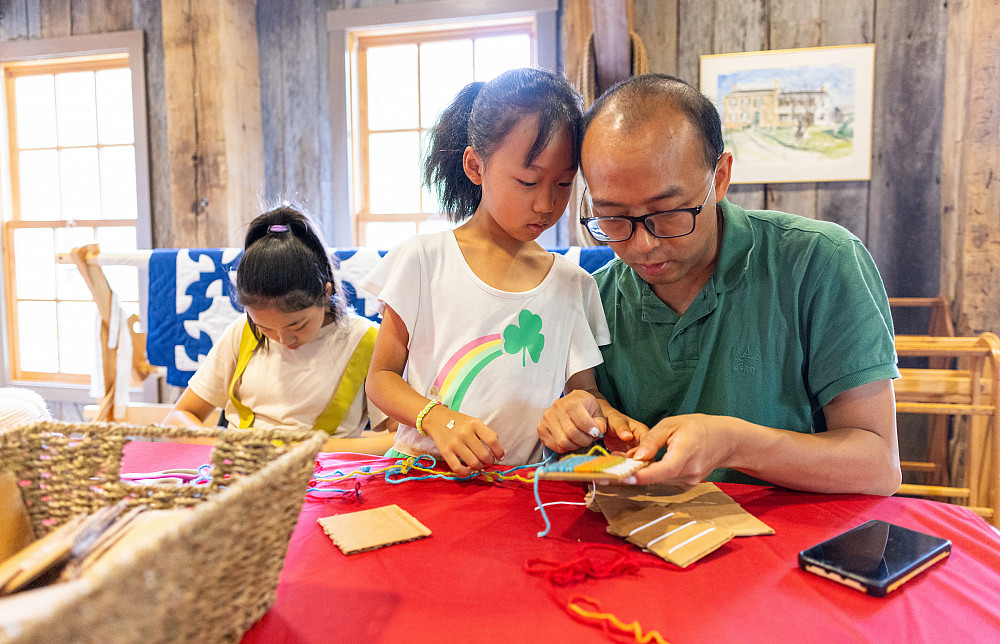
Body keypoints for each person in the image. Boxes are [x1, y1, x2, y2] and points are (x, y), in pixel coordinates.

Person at [538, 73, 902, 496]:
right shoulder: (592, 299)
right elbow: (587, 440)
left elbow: (877, 466)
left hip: (794, 543)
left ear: (721, 178)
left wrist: (734, 444)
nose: (643, 244)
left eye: (669, 212)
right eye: (612, 217)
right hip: (649, 542)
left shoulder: (819, 261)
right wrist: (576, 421)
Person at [362, 67, 620, 475]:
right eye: (527, 181)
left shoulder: (572, 284)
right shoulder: (423, 261)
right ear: (475, 166)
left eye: (564, 184)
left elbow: (585, 392)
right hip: (420, 476)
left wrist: (588, 417)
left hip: (517, 490)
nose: (545, 204)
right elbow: (381, 379)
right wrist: (439, 419)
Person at [164, 205, 394, 453]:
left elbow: (400, 440)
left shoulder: (365, 340)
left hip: (320, 477)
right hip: (238, 468)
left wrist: (315, 448)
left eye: (297, 324)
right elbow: (178, 418)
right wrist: (227, 449)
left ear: (326, 292)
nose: (284, 339)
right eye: (265, 328)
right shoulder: (243, 330)